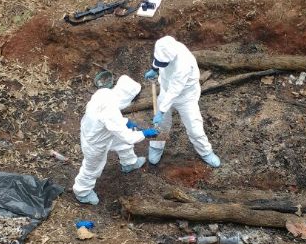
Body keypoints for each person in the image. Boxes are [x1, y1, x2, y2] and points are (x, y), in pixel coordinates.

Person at [72, 75, 159, 205]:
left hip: (101, 130)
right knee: (92, 168)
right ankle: (82, 192)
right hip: (95, 142)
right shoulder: (111, 112)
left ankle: (129, 163)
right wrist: (145, 133)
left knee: (123, 144)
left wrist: (126, 122)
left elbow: (108, 119)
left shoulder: (105, 93)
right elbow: (128, 137)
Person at [144, 35, 221, 167]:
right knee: (161, 124)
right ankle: (156, 146)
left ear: (172, 58)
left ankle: (205, 152)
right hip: (166, 90)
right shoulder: (165, 48)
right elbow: (160, 59)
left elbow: (175, 91)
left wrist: (161, 111)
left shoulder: (183, 63)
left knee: (194, 127)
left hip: (185, 97)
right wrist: (155, 69)